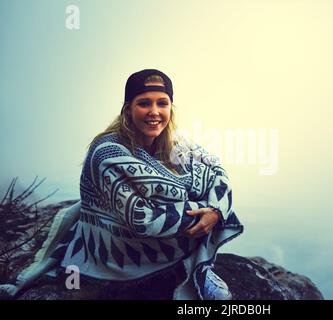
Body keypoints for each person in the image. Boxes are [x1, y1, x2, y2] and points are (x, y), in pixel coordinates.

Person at [0, 69, 244, 300]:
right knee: (203, 216)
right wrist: (208, 210)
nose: (154, 111)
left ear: (171, 108)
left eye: (162, 103)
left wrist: (214, 210)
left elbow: (217, 172)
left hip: (169, 229)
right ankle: (194, 266)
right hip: (119, 248)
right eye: (144, 103)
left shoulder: (177, 144)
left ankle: (198, 267)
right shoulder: (106, 152)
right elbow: (142, 217)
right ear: (128, 109)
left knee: (214, 206)